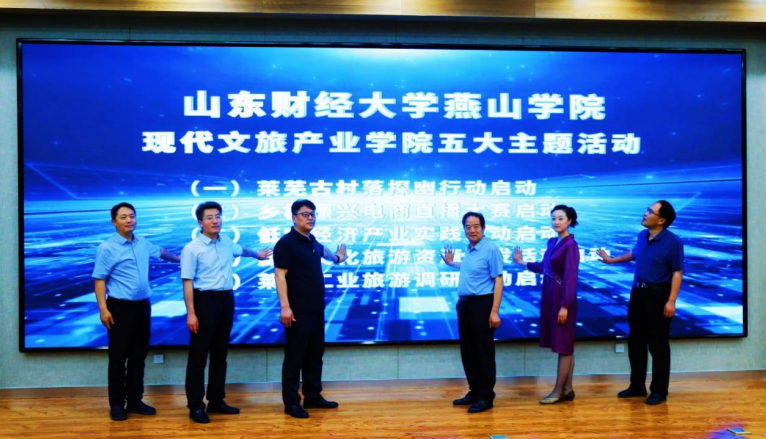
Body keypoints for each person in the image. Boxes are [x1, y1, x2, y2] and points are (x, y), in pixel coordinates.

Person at [182, 201, 272, 423]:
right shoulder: (192, 248)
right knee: (198, 356)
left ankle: (216, 400)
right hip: (204, 301)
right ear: (200, 222)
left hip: (226, 300)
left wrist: (258, 255)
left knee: (220, 353)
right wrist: (191, 313)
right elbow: (187, 282)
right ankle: (196, 405)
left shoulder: (226, 242)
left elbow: (242, 250)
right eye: (210, 217)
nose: (215, 221)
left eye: (218, 216)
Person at [93, 202, 181, 421]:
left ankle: (134, 400)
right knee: (118, 358)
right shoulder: (107, 248)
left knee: (138, 356)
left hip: (142, 307)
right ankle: (116, 404)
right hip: (119, 308)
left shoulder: (142, 242)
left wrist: (179, 259)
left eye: (132, 216)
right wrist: (103, 309)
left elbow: (161, 253)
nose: (129, 220)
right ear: (114, 222)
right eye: (123, 217)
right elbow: (99, 280)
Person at [597, 200, 683, 405]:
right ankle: (637, 386)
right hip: (638, 294)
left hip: (658, 295)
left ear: (661, 220)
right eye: (647, 209)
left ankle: (659, 391)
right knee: (636, 341)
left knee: (658, 345)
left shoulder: (673, 242)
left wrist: (671, 301)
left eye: (650, 211)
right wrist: (611, 260)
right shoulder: (643, 235)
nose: (645, 213)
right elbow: (634, 254)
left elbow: (677, 272)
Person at [274, 199, 347, 419]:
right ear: (294, 218)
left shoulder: (311, 240)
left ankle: (313, 396)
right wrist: (285, 307)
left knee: (315, 354)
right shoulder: (286, 243)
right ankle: (291, 403)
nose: (310, 218)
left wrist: (338, 258)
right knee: (295, 357)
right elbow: (280, 276)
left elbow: (324, 252)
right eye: (305, 214)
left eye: (313, 214)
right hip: (297, 310)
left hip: (316, 308)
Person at [514, 205, 580, 404]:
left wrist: (565, 305)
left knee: (564, 346)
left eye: (560, 218)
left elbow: (570, 277)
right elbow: (545, 267)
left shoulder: (570, 245)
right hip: (551, 297)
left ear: (569, 221)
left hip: (562, 300)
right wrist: (522, 262)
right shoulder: (552, 242)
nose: (556, 222)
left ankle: (558, 391)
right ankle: (568, 389)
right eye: (553, 218)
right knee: (563, 344)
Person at [441, 212, 503, 414]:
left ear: (483, 228)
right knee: (468, 351)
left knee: (483, 352)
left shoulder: (490, 248)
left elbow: (498, 280)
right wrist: (451, 264)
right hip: (466, 305)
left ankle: (486, 396)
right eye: (468, 226)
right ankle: (475, 391)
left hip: (482, 305)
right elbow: (472, 269)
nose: (472, 230)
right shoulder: (470, 249)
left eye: (476, 226)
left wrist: (494, 311)